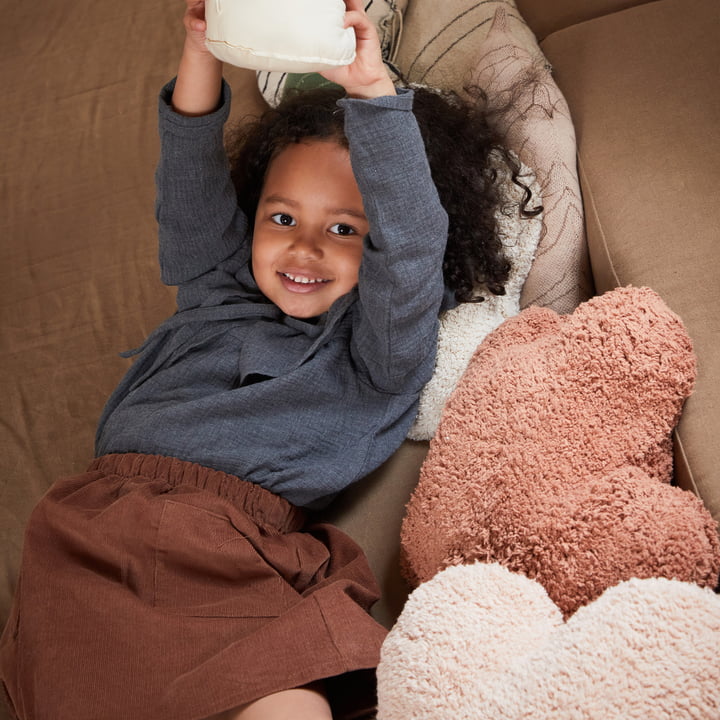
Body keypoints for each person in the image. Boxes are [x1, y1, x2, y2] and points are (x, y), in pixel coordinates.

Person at [0, 1, 538, 719]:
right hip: (100, 537)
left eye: (344, 229)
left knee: (294, 704)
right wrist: (201, 55)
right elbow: (187, 180)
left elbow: (409, 247)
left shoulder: (372, 357)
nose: (305, 247)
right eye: (282, 218)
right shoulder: (213, 293)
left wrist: (374, 98)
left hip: (239, 565)